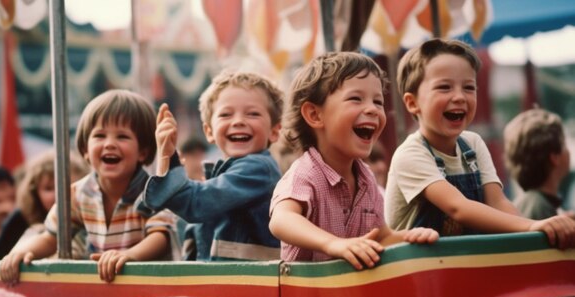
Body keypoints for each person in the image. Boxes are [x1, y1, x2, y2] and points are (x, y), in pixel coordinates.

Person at [385, 38, 575, 248]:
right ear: (412, 103)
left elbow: (498, 202)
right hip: (417, 270)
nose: (459, 96)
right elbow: (458, 207)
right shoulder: (411, 154)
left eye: (469, 87)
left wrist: (534, 227)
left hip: (465, 261)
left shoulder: (473, 144)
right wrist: (531, 226)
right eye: (444, 87)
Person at [269, 51, 438, 270]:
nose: (372, 109)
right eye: (355, 99)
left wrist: (409, 237)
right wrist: (333, 244)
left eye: (378, 101)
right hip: (307, 295)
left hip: (349, 295)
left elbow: (381, 237)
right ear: (315, 115)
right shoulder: (305, 172)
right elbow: (282, 221)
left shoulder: (366, 177)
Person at [0, 89, 180, 284]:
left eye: (122, 137)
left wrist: (129, 256)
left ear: (143, 152)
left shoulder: (153, 191)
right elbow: (50, 237)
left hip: (146, 288)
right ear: (85, 151)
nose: (110, 144)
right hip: (103, 288)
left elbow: (160, 236)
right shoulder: (77, 195)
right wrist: (21, 252)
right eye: (100, 136)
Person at [138, 70, 283, 261]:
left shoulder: (258, 169)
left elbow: (195, 204)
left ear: (274, 131)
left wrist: (168, 157)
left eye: (253, 114)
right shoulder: (221, 175)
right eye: (226, 115)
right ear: (209, 132)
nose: (238, 121)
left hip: (247, 285)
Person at [0, 149, 90, 259]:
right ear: (35, 193)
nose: (58, 194)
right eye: (48, 188)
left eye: (66, 185)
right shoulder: (21, 222)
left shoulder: (96, 226)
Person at [503, 108, 573, 220]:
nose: (568, 150)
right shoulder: (539, 208)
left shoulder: (532, 203)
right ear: (554, 157)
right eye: (564, 144)